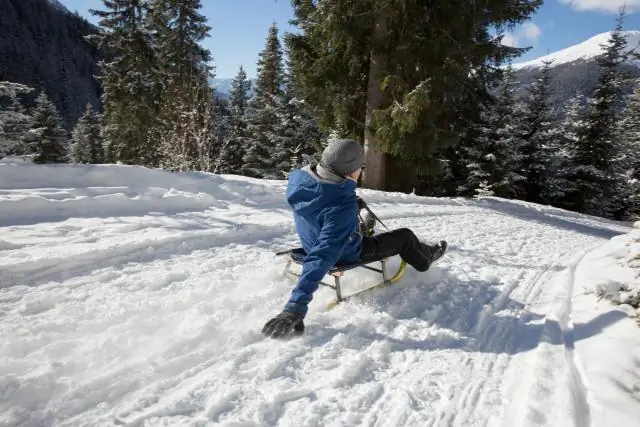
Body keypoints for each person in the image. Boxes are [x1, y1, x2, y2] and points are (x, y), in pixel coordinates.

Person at [262, 139, 448, 339]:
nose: (361, 171)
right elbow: (323, 254)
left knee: (350, 224)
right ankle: (425, 259)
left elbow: (323, 205)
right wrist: (295, 307)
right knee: (405, 236)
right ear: (351, 171)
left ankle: (358, 228)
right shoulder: (341, 207)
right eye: (360, 167)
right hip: (345, 253)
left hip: (312, 239)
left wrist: (348, 202)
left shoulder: (300, 180)